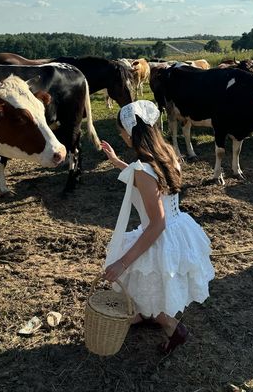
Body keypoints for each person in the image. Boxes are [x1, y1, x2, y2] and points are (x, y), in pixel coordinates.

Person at [101, 100, 215, 353]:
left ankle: (172, 327)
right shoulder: (166, 153)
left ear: (132, 132)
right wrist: (116, 161)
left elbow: (157, 223)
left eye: (122, 132)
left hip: (159, 232)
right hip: (179, 228)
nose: (122, 136)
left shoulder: (143, 169)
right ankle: (143, 316)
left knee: (134, 277)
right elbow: (145, 179)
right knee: (152, 282)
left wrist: (123, 262)